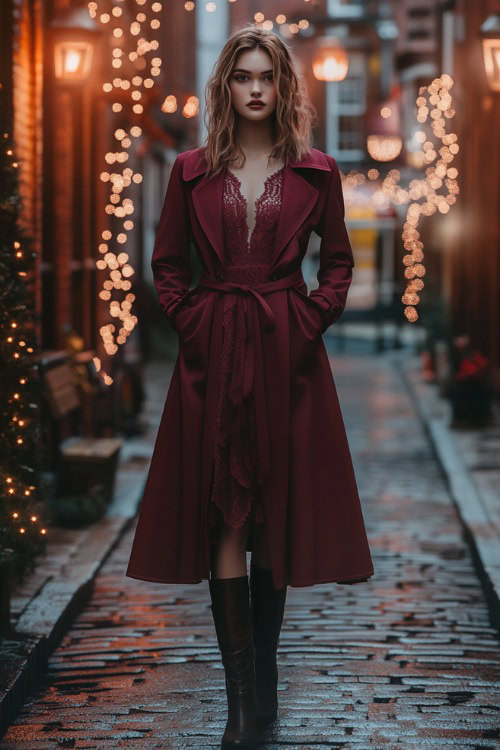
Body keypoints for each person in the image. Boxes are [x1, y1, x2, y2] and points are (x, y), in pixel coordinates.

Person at [126, 24, 374, 749]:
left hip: (286, 357)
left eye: (267, 76)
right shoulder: (191, 169)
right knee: (224, 517)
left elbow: (338, 266)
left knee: (275, 514)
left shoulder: (318, 172)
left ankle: (263, 675)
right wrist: (194, 321)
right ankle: (241, 706)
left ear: (284, 85)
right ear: (226, 86)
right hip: (214, 358)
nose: (257, 88)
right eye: (244, 76)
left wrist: (308, 321)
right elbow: (166, 263)